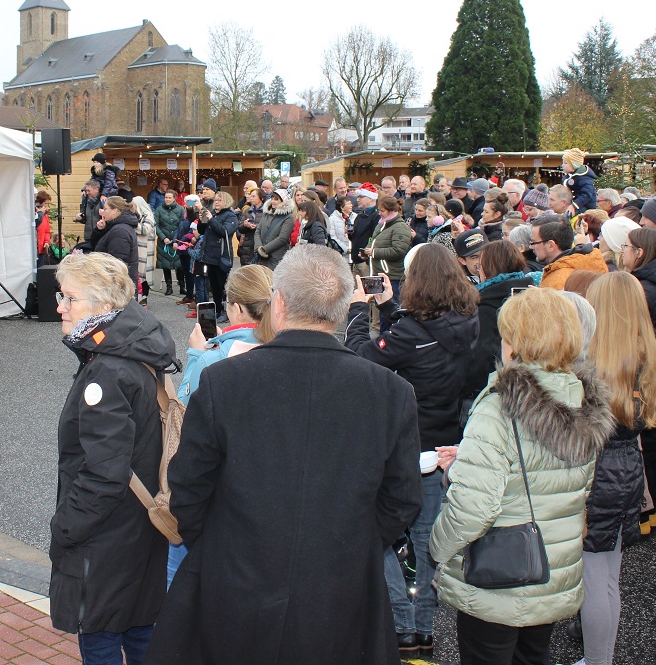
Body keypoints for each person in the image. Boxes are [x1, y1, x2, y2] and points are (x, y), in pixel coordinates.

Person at [145, 245, 422, 665]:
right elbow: (401, 499)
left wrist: (226, 545)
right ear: (345, 308)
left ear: (279, 303)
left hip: (235, 581)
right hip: (339, 585)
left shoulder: (224, 382)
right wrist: (347, 544)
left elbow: (188, 488)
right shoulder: (389, 392)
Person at [429, 288, 612, 665]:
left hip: (500, 576)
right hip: (551, 565)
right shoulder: (582, 397)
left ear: (517, 341)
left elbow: (475, 507)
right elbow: (573, 483)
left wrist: (438, 547)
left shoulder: (500, 406)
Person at [345, 244, 479, 656]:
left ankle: (401, 621)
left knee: (380, 533)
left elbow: (361, 358)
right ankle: (423, 627)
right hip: (445, 441)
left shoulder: (411, 332)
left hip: (403, 445)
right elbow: (416, 346)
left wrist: (357, 312)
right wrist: (388, 312)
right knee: (427, 542)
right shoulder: (471, 322)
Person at [50, 253, 176, 664]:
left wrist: (66, 526)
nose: (59, 307)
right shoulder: (136, 347)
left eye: (70, 298)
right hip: (140, 527)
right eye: (61, 295)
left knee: (102, 636)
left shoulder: (107, 370)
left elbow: (104, 473)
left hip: (108, 538)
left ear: (104, 307)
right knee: (141, 630)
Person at [578, 272, 656, 665]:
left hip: (596, 472)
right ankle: (601, 657)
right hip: (628, 467)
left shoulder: (589, 363)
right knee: (608, 577)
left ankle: (597, 660)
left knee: (593, 580)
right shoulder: (650, 355)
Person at [169, 265, 275, 586]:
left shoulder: (211, 359)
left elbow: (184, 423)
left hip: (216, 495)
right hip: (267, 490)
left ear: (236, 308)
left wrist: (195, 355)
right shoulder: (287, 350)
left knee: (177, 570)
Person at [620, 226, 656, 534]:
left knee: (641, 447)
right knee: (650, 447)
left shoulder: (641, 289)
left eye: (626, 247)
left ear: (639, 252)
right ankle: (646, 515)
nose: (622, 253)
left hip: (642, 378)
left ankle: (640, 517)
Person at [459, 241, 538, 420]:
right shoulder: (533, 293)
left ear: (488, 268)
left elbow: (481, 358)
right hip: (531, 389)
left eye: (481, 266)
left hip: (490, 394)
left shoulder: (485, 306)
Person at [532, 215, 608, 290]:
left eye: (534, 242)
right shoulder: (591, 261)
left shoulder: (557, 281)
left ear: (550, 245)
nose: (531, 247)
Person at [198, 191, 239, 322]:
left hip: (222, 256)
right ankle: (217, 311)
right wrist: (202, 220)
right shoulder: (214, 214)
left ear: (226, 201)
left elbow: (225, 232)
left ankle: (225, 311)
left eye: (219, 200)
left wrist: (210, 220)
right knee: (214, 286)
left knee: (222, 286)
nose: (216, 202)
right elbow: (201, 231)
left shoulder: (231, 216)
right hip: (209, 255)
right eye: (215, 200)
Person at [363, 195, 412, 290]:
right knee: (377, 302)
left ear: (392, 211)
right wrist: (366, 251)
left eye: (382, 211)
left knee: (392, 303)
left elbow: (399, 250)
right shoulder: (381, 225)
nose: (379, 214)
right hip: (377, 274)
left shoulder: (400, 227)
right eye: (379, 210)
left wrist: (374, 252)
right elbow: (374, 241)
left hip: (392, 278)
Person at [92, 196, 139, 285]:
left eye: (105, 209)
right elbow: (95, 245)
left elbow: (117, 265)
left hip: (116, 287)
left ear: (114, 211)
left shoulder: (119, 231)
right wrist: (99, 230)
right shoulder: (115, 227)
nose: (102, 212)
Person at [253, 189, 295, 270]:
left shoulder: (288, 217)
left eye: (276, 199)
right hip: (261, 259)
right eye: (272, 198)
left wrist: (265, 250)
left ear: (283, 201)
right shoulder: (267, 213)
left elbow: (283, 238)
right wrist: (258, 248)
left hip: (276, 258)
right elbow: (257, 231)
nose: (273, 201)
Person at [154, 190, 185, 297]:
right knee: (165, 265)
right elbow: (156, 226)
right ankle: (169, 287)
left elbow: (182, 225)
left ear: (174, 198)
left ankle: (182, 286)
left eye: (169, 198)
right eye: (166, 197)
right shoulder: (159, 210)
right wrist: (163, 238)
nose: (167, 199)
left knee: (179, 265)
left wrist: (177, 239)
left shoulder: (181, 210)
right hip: (164, 242)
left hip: (177, 241)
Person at [349, 182, 380, 276]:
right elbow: (356, 237)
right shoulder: (360, 216)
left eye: (361, 197)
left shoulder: (376, 216)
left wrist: (366, 254)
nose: (358, 200)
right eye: (358, 197)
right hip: (356, 261)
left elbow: (375, 238)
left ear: (370, 198)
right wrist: (350, 233)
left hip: (366, 262)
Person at [132, 195, 157, 305]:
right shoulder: (138, 216)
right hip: (139, 250)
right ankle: (140, 297)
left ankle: (144, 298)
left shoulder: (149, 216)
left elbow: (145, 230)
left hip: (146, 252)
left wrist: (133, 223)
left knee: (144, 275)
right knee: (139, 274)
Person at [561, 148, 597, 215]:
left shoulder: (584, 178)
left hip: (585, 207)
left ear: (574, 165)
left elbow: (587, 194)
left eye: (565, 163)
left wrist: (574, 205)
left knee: (567, 215)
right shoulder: (569, 177)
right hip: (574, 204)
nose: (562, 165)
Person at [35, 191, 53, 266]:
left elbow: (47, 231)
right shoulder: (36, 214)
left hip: (41, 249)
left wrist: (46, 242)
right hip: (34, 247)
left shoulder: (45, 216)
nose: (46, 206)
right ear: (39, 203)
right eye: (45, 203)